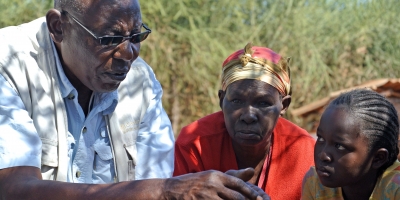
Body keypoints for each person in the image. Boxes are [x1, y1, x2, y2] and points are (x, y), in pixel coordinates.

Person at [0, 0, 269, 199]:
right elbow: (12, 189)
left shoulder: (140, 82)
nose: (129, 54)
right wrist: (165, 191)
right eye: (110, 38)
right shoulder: (9, 63)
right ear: (59, 27)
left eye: (136, 36)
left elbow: (153, 182)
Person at [174, 43, 316, 200]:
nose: (248, 116)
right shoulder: (194, 144)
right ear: (222, 101)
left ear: (284, 106)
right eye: (236, 101)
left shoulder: (304, 150)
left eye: (263, 103)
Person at [301, 89, 400, 200]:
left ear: (378, 158)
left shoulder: (395, 189)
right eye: (321, 139)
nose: (323, 155)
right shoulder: (315, 183)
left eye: (339, 146)